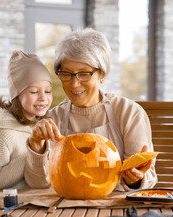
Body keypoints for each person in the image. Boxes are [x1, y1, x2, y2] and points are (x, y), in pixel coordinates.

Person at [26, 28, 157, 191]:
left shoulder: (129, 113)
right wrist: (36, 144)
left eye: (84, 74)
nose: (74, 84)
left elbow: (148, 176)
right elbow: (38, 184)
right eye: (66, 73)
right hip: (67, 208)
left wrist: (135, 179)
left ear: (102, 74)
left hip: (116, 207)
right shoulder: (53, 118)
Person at [0, 50, 53, 191]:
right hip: (8, 209)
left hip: (35, 205)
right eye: (34, 92)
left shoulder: (38, 128)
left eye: (48, 91)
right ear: (17, 95)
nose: (43, 98)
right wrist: (34, 154)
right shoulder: (3, 135)